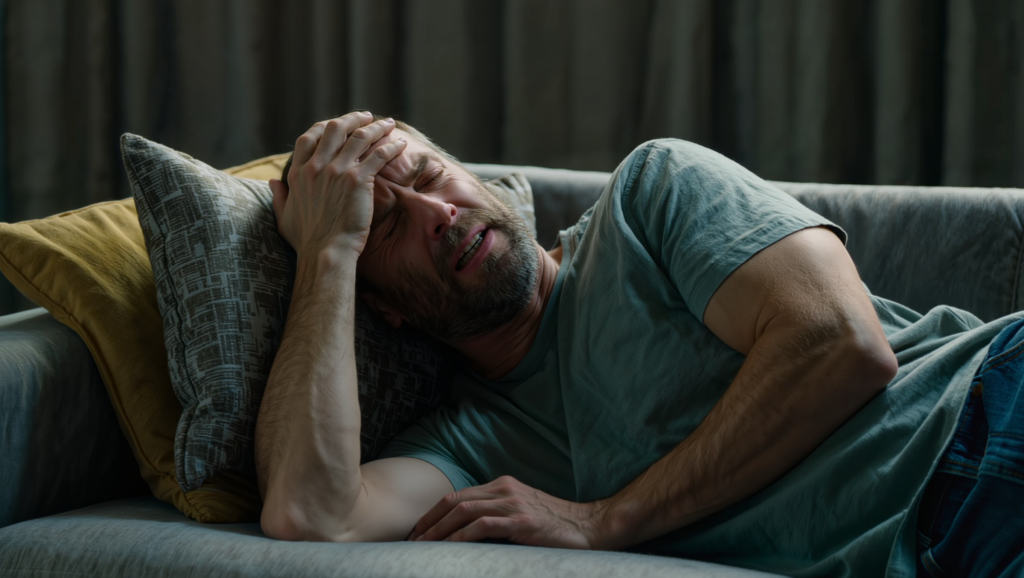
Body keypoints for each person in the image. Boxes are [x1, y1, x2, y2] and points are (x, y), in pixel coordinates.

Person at [254, 111, 1024, 577]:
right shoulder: (473, 446)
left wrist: (603, 519)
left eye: (431, 174)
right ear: (378, 303)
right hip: (933, 549)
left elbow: (839, 343)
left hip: (984, 416)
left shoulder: (649, 197)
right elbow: (312, 517)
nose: (436, 213)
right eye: (386, 226)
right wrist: (328, 252)